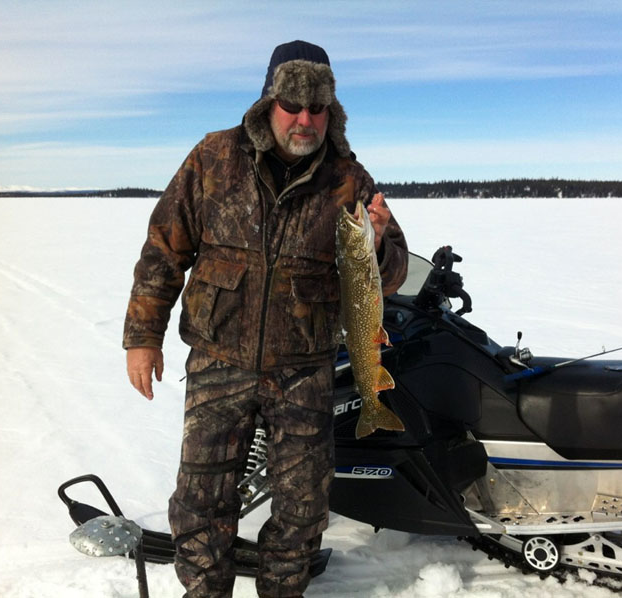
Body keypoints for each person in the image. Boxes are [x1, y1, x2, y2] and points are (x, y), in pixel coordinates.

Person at [123, 40, 408, 598]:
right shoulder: (213, 159)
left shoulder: (348, 179)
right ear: (267, 101)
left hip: (305, 371)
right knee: (201, 504)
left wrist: (378, 243)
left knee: (303, 510)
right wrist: (142, 336)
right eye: (292, 104)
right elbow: (164, 249)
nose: (305, 119)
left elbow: (392, 272)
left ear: (331, 110)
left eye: (317, 107)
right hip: (218, 361)